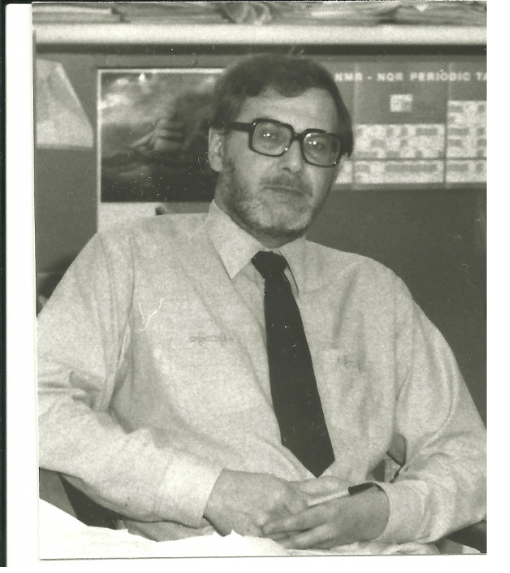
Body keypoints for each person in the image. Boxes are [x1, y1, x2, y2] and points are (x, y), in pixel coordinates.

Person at [37, 54, 487, 553]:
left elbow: (471, 456)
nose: (294, 163)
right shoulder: (128, 259)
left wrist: (383, 511)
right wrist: (208, 491)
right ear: (217, 149)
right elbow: (35, 406)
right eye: (269, 136)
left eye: (318, 145)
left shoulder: (376, 293)